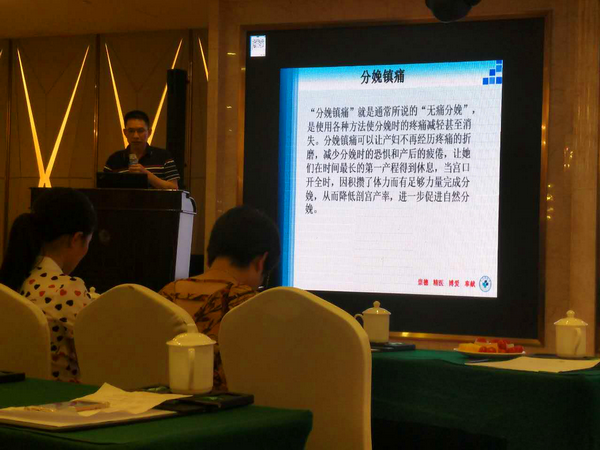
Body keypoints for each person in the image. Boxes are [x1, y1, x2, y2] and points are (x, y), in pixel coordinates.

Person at [159, 205, 281, 390]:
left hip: (155, 406)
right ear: (261, 262)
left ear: (211, 252)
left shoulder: (164, 295)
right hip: (224, 408)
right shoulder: (246, 304)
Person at [0, 188, 97, 382]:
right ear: (76, 239)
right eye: (88, 242)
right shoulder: (66, 290)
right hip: (60, 397)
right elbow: (100, 356)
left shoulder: (13, 281)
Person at [103, 110, 180, 190]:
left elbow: (174, 188)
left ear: (149, 132)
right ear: (125, 133)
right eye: (131, 131)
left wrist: (146, 174)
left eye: (140, 131)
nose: (135, 136)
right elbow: (103, 191)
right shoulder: (114, 160)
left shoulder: (164, 156)